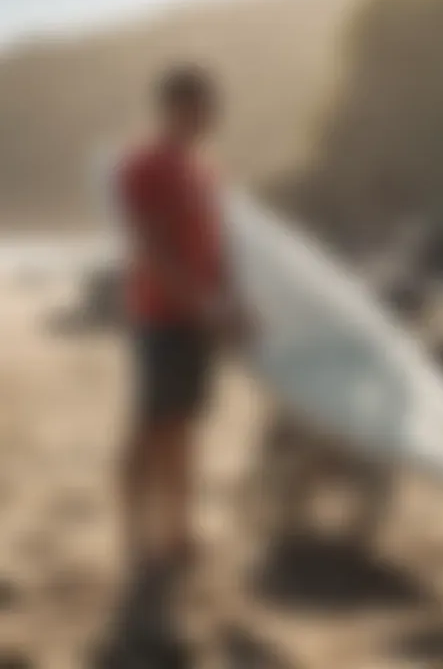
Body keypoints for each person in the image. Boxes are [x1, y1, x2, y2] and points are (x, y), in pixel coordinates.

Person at [117, 64, 253, 579]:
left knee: (185, 426)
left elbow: (216, 247)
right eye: (192, 108)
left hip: (198, 318)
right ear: (168, 107)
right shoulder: (145, 165)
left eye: (208, 110)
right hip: (159, 314)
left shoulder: (203, 168)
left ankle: (178, 531)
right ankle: (135, 541)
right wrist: (204, 305)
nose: (202, 119)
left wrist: (233, 301)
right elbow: (151, 247)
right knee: (150, 427)